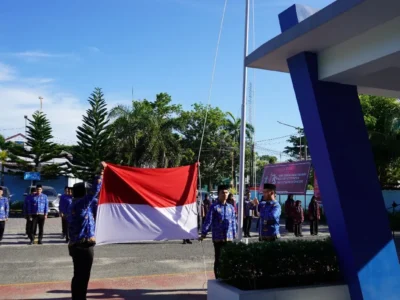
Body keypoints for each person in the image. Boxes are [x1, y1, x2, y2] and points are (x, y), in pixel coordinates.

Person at [200, 185, 236, 279]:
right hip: (218, 238)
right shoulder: (214, 207)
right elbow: (208, 220)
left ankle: (227, 277)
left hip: (228, 238)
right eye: (222, 192)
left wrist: (234, 234)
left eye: (226, 192)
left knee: (228, 259)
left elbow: (233, 222)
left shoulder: (231, 207)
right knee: (219, 259)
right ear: (218, 194)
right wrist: (204, 233)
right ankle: (218, 278)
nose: (224, 194)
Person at [68, 182, 97, 300]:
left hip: (78, 244)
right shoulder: (81, 204)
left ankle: (78, 297)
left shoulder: (77, 204)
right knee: (82, 276)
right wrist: (99, 177)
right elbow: (94, 193)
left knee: (79, 275)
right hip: (83, 245)